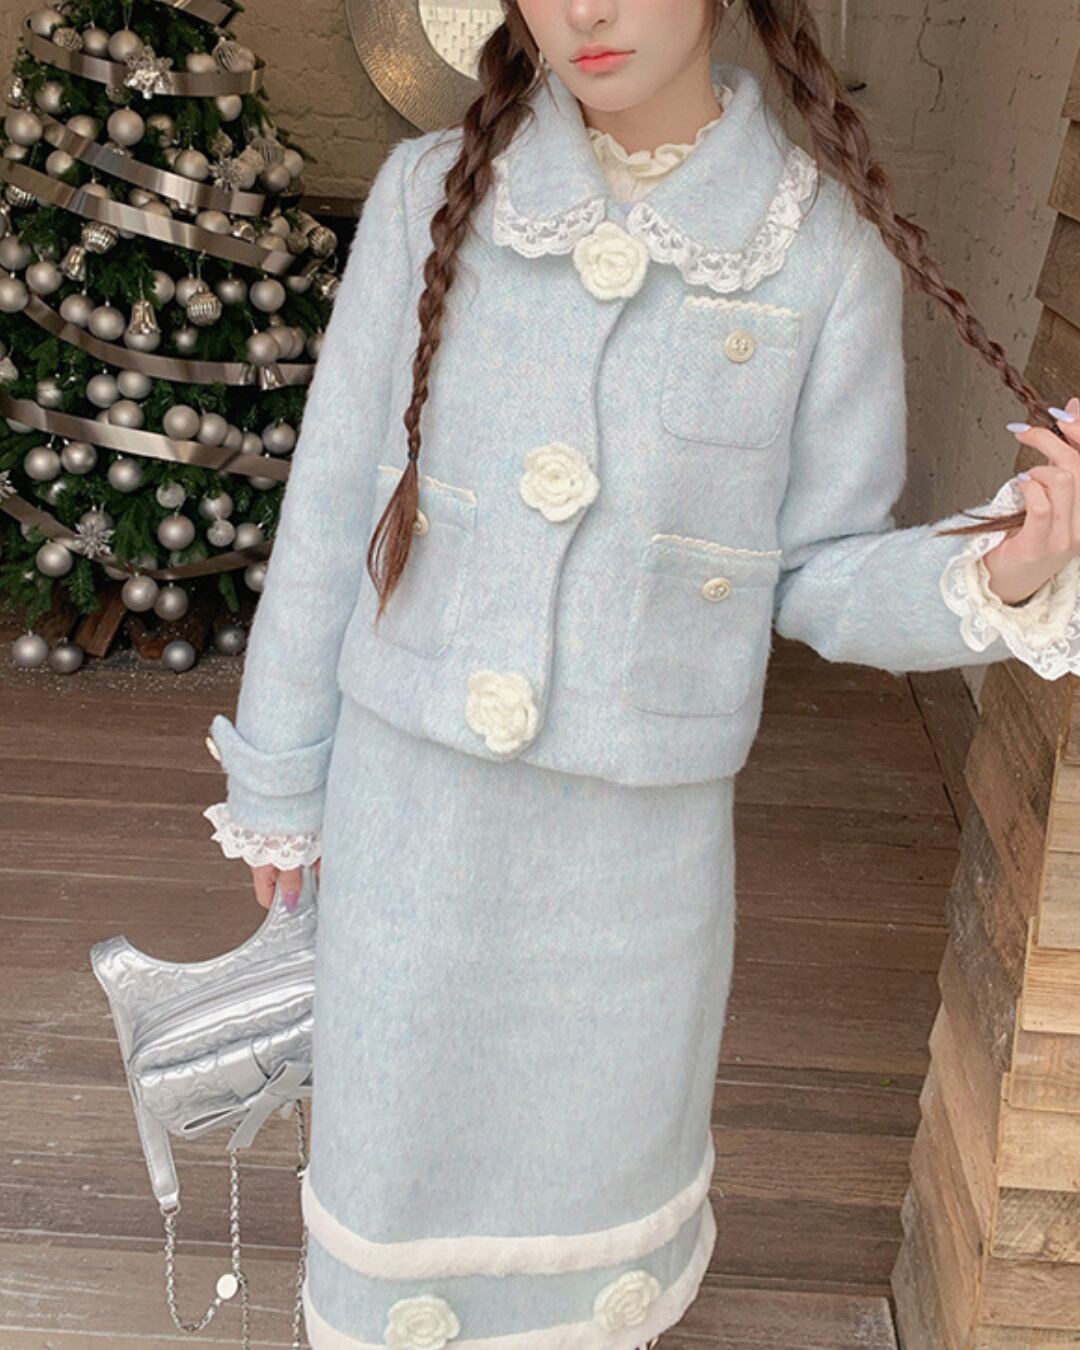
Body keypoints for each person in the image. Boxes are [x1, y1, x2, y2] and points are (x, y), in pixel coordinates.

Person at [203, 2, 1080, 1346]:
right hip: (413, 814)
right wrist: (279, 776)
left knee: (595, 1158)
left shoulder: (820, 253)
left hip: (634, 856)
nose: (585, 12)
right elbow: (331, 507)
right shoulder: (430, 195)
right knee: (398, 1150)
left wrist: (1004, 569)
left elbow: (821, 567)